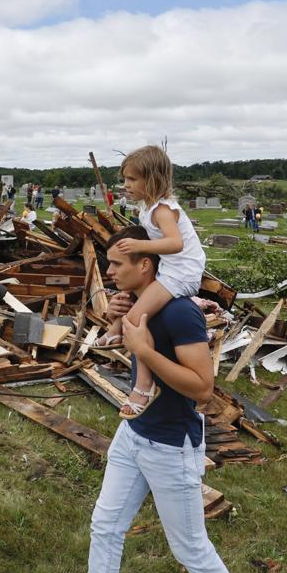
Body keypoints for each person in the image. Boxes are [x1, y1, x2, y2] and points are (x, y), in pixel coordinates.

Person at [37, 224, 260, 573]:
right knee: (106, 524)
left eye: (117, 264)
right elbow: (119, 344)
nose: (109, 270)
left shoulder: (180, 313)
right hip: (134, 435)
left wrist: (146, 348)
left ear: (146, 264)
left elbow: (202, 388)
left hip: (170, 444)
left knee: (190, 548)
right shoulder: (140, 303)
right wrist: (120, 322)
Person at [93, 145, 206, 421]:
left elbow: (176, 243)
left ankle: (145, 384)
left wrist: (141, 244)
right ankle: (116, 329)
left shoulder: (163, 210)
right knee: (134, 312)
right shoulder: (149, 209)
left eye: (132, 179)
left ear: (152, 180)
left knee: (135, 319)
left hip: (181, 271)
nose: (125, 185)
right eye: (125, 179)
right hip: (171, 269)